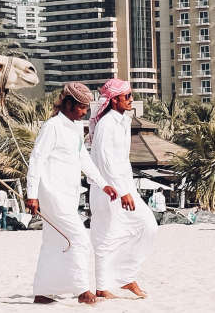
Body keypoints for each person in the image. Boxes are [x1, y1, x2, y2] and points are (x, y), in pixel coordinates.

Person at [25, 82, 118, 305]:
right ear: (68, 104)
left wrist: (103, 183)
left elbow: (83, 159)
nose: (85, 112)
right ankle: (83, 290)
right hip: (51, 194)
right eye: (82, 107)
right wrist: (31, 194)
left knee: (53, 241)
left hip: (68, 194)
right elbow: (36, 159)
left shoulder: (75, 129)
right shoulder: (52, 126)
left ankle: (43, 292)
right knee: (79, 238)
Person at [89, 79, 158, 300]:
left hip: (126, 186)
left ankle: (126, 276)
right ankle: (102, 287)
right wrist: (121, 191)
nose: (130, 100)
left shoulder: (123, 121)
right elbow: (105, 160)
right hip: (107, 189)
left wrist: (128, 188)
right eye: (127, 96)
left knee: (148, 226)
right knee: (105, 236)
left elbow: (120, 160)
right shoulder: (106, 124)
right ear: (114, 99)